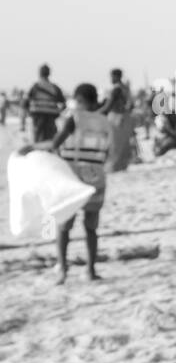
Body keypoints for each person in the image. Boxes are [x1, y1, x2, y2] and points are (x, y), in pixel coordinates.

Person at [19, 83, 110, 284]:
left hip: (73, 178)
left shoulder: (74, 118)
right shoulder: (105, 122)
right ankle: (91, 270)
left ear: (79, 100)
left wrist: (31, 147)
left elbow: (54, 144)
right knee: (91, 228)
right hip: (97, 178)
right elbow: (107, 153)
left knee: (63, 226)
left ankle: (62, 270)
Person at [99, 68, 136, 171]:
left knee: (114, 144)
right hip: (126, 117)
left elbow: (108, 106)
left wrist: (94, 113)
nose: (110, 79)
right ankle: (122, 165)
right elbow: (131, 104)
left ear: (116, 76)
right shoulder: (126, 88)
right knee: (123, 143)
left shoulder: (116, 89)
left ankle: (114, 166)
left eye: (111, 76)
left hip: (116, 117)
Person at [24, 64, 65, 143]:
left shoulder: (34, 87)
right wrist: (57, 112)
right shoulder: (55, 88)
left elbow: (25, 103)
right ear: (49, 73)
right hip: (51, 117)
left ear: (39, 73)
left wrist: (29, 113)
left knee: (37, 137)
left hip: (37, 116)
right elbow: (63, 104)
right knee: (51, 138)